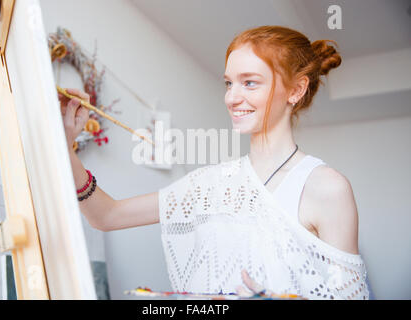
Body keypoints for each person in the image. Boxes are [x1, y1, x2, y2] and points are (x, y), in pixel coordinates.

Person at [59, 25, 369, 300]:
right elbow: (108, 216)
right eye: (228, 83)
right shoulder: (208, 184)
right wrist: (65, 145)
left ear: (296, 90)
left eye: (249, 83)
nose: (232, 97)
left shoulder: (326, 187)